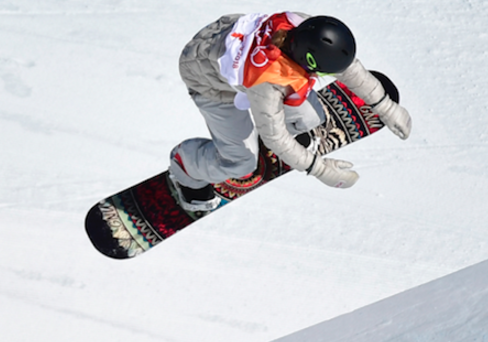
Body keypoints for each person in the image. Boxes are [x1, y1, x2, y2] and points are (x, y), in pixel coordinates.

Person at [169, 12, 411, 211]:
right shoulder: (268, 81)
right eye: (321, 73)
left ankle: (290, 135)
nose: (321, 78)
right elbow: (275, 137)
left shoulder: (302, 28)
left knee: (310, 117)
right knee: (241, 162)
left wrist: (386, 107)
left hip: (225, 43)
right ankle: (185, 167)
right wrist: (319, 169)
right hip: (208, 82)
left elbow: (348, 70)